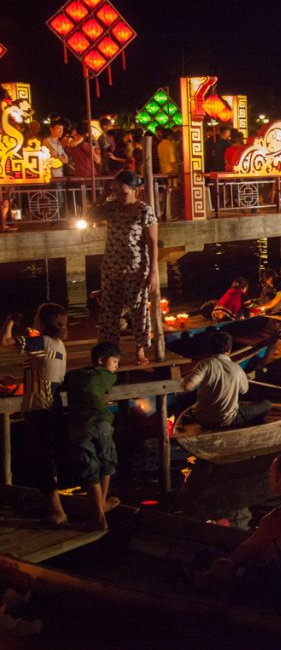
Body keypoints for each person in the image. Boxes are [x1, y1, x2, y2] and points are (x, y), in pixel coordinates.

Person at [196, 454, 281, 608]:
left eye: (271, 474)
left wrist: (222, 566)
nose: (268, 477)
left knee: (223, 568)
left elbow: (244, 552)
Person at [1, 304, 68, 526]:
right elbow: (46, 372)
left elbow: (5, 343)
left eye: (37, 316)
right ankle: (53, 506)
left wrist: (10, 321)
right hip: (52, 405)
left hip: (39, 408)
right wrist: (19, 381)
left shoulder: (41, 342)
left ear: (44, 321)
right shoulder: (59, 345)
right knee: (46, 458)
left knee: (40, 460)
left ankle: (58, 512)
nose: (35, 319)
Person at [96, 171, 158, 366]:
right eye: (115, 192)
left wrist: (153, 272)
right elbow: (88, 215)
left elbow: (153, 243)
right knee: (109, 309)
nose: (118, 196)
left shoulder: (144, 211)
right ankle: (109, 351)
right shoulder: (111, 207)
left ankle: (139, 349)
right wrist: (105, 195)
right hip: (111, 266)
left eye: (122, 193)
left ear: (135, 191)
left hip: (136, 266)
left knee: (138, 309)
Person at [64, 341, 121, 530]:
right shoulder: (107, 376)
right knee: (106, 462)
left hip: (78, 425)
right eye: (114, 362)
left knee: (89, 466)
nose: (116, 367)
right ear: (101, 361)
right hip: (100, 421)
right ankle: (100, 515)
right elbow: (104, 385)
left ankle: (99, 510)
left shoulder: (74, 375)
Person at [181, 331, 271, 428]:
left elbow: (188, 386)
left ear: (210, 348)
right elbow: (244, 390)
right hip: (225, 421)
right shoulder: (237, 368)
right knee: (266, 404)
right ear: (229, 349)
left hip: (200, 418)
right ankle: (250, 426)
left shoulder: (204, 364)